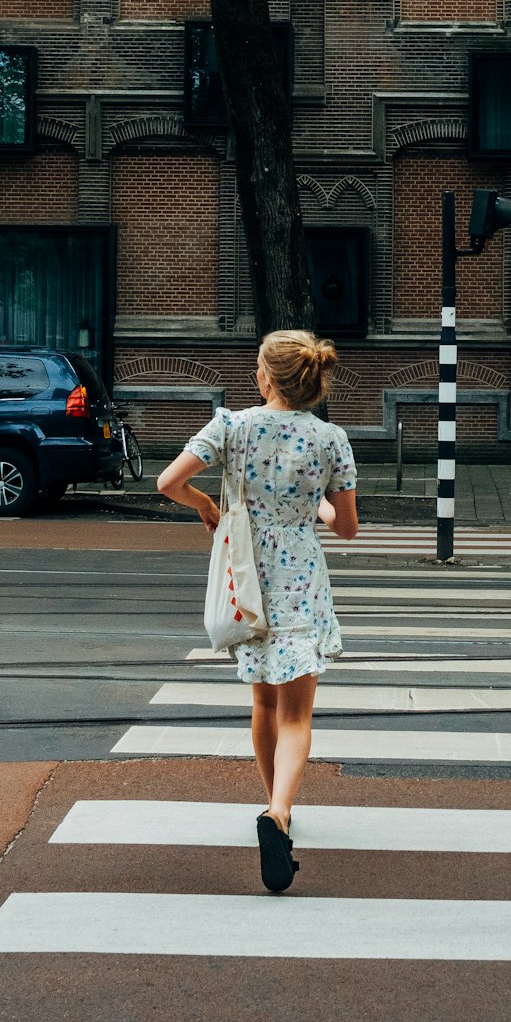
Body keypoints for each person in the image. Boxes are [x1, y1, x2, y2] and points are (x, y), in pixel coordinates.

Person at [156, 328, 358, 893]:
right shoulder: (330, 439)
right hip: (299, 576)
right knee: (298, 714)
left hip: (247, 573)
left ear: (266, 377)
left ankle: (275, 806)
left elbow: (168, 482)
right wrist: (313, 503)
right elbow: (345, 527)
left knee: (262, 700)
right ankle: (280, 812)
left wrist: (206, 507)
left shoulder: (231, 425)